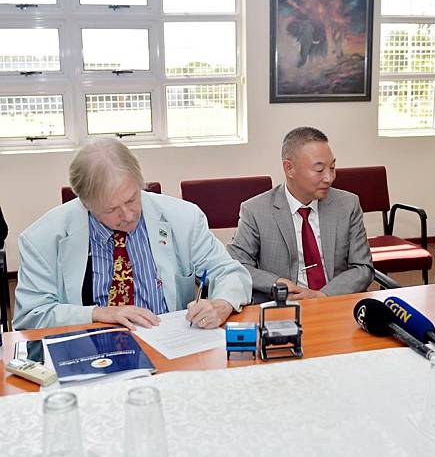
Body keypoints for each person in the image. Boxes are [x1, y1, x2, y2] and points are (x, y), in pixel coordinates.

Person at [14, 139, 251, 330]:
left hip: (169, 342)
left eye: (131, 199)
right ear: (85, 203)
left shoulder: (183, 218)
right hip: (92, 346)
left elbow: (229, 272)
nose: (127, 215)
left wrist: (221, 303)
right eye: (111, 209)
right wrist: (99, 313)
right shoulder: (42, 238)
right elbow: (31, 316)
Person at [227, 126, 374, 303]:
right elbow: (237, 264)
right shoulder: (256, 210)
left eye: (332, 167)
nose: (329, 178)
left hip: (334, 301)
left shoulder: (348, 205)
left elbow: (363, 268)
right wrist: (277, 283)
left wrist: (323, 295)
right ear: (289, 168)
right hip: (283, 306)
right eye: (319, 170)